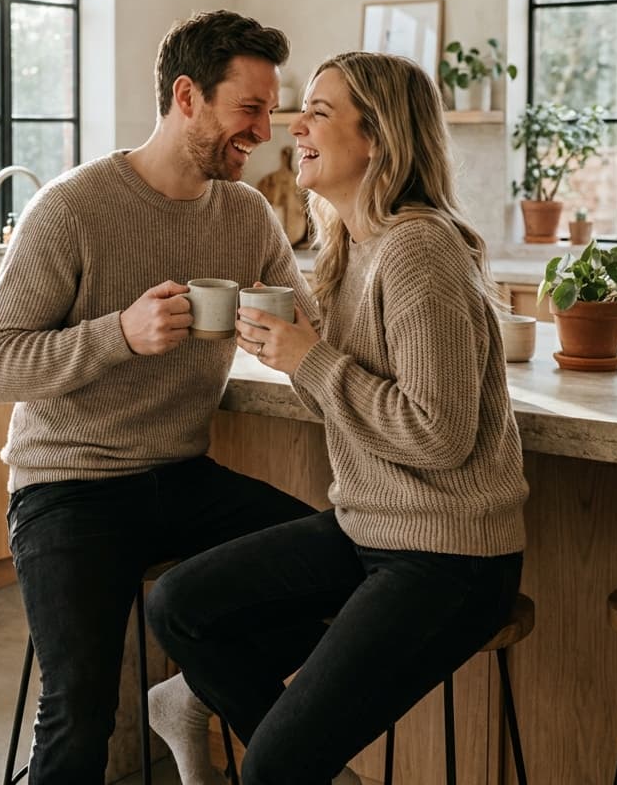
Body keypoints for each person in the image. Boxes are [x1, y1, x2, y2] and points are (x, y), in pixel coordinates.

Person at [145, 51, 529, 785]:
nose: (296, 127)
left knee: (273, 767)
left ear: (378, 137)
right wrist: (293, 356)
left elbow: (439, 435)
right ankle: (287, 760)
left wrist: (311, 359)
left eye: (319, 111)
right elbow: (358, 406)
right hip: (369, 529)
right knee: (180, 605)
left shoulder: (418, 249)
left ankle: (288, 765)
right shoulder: (353, 247)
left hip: (450, 557)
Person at [0, 10, 323, 784]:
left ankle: (194, 699)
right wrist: (118, 335)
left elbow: (309, 322)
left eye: (272, 111)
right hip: (68, 489)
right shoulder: (71, 208)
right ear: (188, 96)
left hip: (182, 477)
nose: (264, 130)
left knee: (351, 566)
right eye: (251, 109)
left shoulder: (245, 213)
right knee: (80, 712)